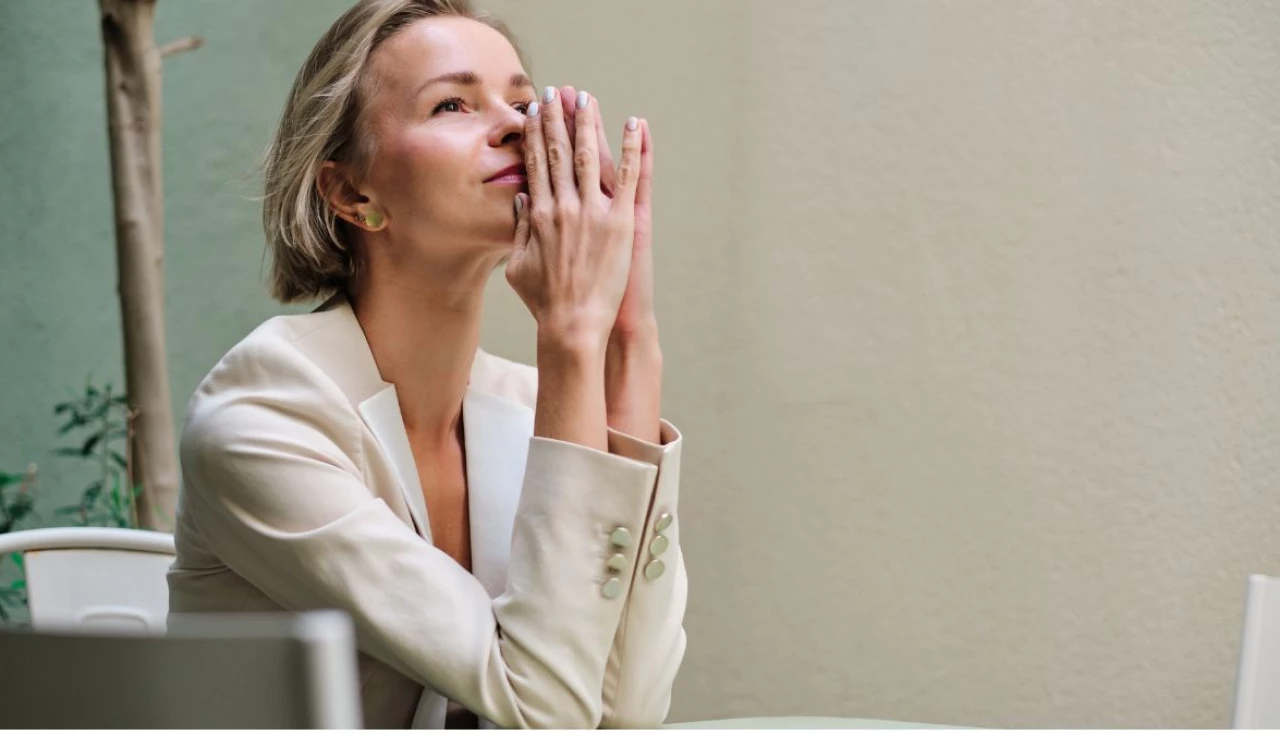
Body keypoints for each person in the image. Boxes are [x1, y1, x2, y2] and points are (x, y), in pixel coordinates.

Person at [165, 0, 686, 728]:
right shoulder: (265, 417)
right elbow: (549, 715)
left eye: (524, 100)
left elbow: (626, 712)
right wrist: (571, 333)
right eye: (452, 103)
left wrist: (627, 334)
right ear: (352, 192)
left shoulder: (530, 402)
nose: (517, 125)